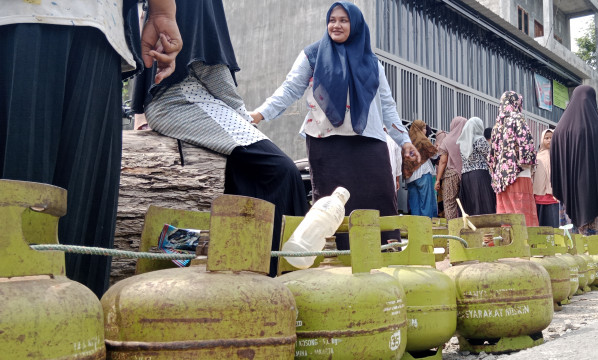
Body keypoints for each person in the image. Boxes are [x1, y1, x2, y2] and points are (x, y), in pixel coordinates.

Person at [1, 0, 181, 297]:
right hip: (20, 18)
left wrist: (162, 11)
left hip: (97, 26)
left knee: (81, 240)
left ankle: (75, 336)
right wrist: (162, 13)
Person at [132, 0, 309, 276]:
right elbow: (210, 70)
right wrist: (242, 114)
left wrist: (139, 113)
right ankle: (270, 273)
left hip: (181, 102)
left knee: (258, 166)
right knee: (280, 170)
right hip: (181, 100)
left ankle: (247, 265)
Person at [248, 2, 420, 248]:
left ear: (356, 24)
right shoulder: (313, 55)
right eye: (332, 19)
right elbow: (290, 89)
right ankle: (343, 260)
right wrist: (260, 113)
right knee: (332, 207)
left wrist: (404, 141)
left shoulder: (372, 62)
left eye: (344, 20)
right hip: (326, 143)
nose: (336, 25)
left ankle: (386, 258)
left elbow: (387, 105)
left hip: (369, 142)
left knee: (380, 200)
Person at [550, 86, 598, 235]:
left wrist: (558, 186)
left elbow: (555, 162)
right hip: (596, 194)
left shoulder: (559, 130)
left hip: (568, 193)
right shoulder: (596, 129)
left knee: (573, 244)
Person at [489, 91, 538, 226]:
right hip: (519, 174)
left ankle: (508, 245)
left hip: (501, 179)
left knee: (506, 217)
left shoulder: (497, 125)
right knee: (523, 215)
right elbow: (526, 148)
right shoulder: (518, 119)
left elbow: (492, 155)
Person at [457, 117, 496, 216]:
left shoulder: (462, 142)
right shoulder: (480, 140)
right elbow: (490, 156)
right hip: (480, 175)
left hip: (466, 176)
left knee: (471, 205)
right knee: (483, 205)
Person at [403, 120, 438, 217]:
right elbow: (434, 155)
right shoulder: (422, 139)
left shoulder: (407, 141)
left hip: (409, 176)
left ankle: (417, 228)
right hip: (423, 173)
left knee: (414, 204)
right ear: (419, 129)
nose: (425, 131)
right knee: (426, 202)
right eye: (423, 128)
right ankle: (426, 226)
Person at [435, 117, 467, 219]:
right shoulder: (468, 139)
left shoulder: (447, 140)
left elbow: (443, 161)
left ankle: (452, 229)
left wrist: (438, 179)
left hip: (450, 176)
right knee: (464, 203)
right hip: (466, 174)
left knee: (449, 203)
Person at [533, 129, 559, 227]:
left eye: (551, 138)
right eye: (546, 138)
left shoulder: (558, 155)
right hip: (539, 195)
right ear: (541, 140)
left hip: (554, 196)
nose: (549, 140)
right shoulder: (537, 156)